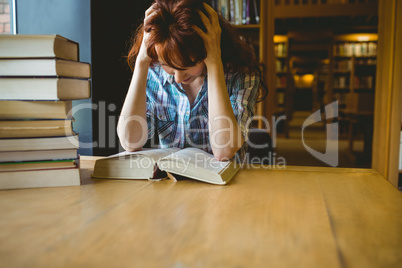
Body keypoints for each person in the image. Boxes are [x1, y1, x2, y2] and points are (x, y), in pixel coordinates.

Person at [117, 0, 267, 161]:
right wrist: (141, 61)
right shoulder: (154, 74)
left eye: (187, 66)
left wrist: (214, 61)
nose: (178, 78)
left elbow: (225, 151)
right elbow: (129, 142)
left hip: (225, 184)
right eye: (167, 65)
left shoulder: (242, 76)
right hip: (170, 182)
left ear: (207, 47)